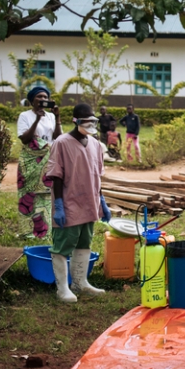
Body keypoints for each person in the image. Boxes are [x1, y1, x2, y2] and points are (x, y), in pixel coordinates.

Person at [46, 103, 111, 303]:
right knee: (63, 244)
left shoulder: (95, 144)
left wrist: (101, 199)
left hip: (89, 202)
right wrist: (58, 205)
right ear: (75, 121)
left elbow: (97, 175)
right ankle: (62, 288)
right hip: (69, 203)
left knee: (84, 243)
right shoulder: (62, 143)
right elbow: (56, 176)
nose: (90, 125)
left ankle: (80, 282)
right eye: (85, 121)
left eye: (92, 120)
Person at [16, 86, 61, 239]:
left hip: (48, 158)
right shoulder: (25, 115)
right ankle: (27, 231)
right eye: (39, 97)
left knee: (46, 194)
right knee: (28, 194)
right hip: (30, 160)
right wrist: (36, 120)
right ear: (31, 100)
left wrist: (58, 118)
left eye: (45, 97)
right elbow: (24, 138)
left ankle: (43, 231)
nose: (43, 100)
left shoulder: (51, 116)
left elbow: (57, 137)